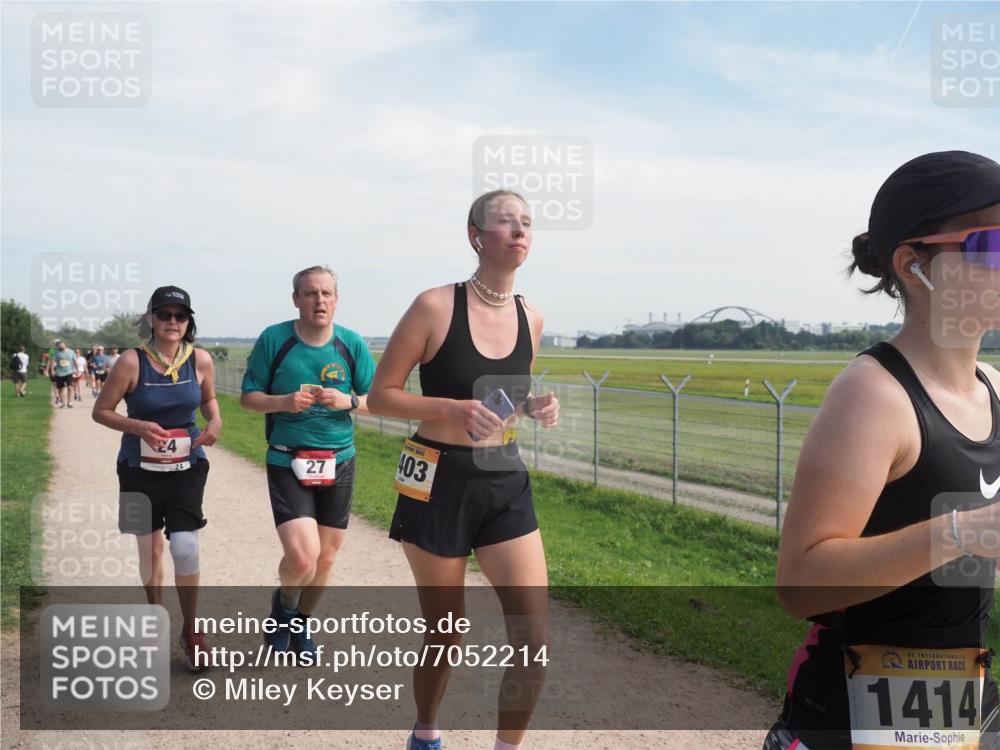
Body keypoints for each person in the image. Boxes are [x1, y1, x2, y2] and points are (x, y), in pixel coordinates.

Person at [765, 151, 1000, 750]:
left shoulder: (994, 386)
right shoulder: (874, 396)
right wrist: (966, 532)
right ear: (913, 264)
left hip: (955, 706)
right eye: (990, 244)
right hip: (844, 716)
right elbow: (800, 583)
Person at [366, 190, 560, 750]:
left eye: (527, 223)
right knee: (445, 633)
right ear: (475, 234)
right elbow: (381, 397)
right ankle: (425, 731)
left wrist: (535, 405)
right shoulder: (433, 307)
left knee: (533, 640)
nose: (520, 231)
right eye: (506, 222)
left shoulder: (532, 317)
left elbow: (505, 399)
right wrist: (450, 409)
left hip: (504, 481)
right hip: (437, 481)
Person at [240, 265, 375, 658]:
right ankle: (283, 605)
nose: (319, 301)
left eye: (327, 293)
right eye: (311, 293)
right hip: (288, 459)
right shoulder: (275, 339)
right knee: (303, 556)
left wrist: (347, 400)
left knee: (326, 558)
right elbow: (249, 398)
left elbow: (376, 400)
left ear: (336, 299)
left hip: (339, 461)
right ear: (296, 299)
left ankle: (300, 625)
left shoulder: (351, 344)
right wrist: (283, 402)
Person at [92, 286, 221, 672]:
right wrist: (139, 426)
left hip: (187, 466)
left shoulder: (200, 360)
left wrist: (215, 420)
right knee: (149, 552)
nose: (172, 322)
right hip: (137, 469)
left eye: (180, 316)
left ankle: (192, 630)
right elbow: (101, 411)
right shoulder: (132, 361)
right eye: (164, 314)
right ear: (151, 319)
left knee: (185, 548)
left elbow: (209, 400)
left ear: (188, 322)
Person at [49, 340, 76, 408]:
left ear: (65, 345)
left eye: (62, 346)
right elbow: (53, 361)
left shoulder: (71, 352)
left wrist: (77, 369)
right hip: (59, 373)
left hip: (69, 372)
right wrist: (52, 370)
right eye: (59, 347)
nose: (60, 348)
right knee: (60, 389)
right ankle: (63, 402)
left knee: (70, 387)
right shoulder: (56, 353)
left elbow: (74, 361)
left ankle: (69, 402)